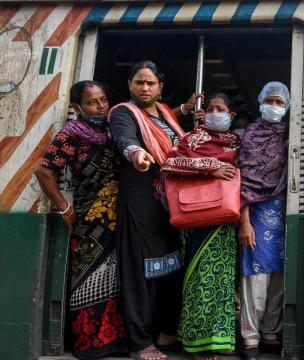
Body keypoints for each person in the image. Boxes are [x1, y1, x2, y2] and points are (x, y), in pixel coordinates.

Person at [35, 80, 128, 359]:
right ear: (77, 107)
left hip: (120, 219)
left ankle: (118, 342)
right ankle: (91, 346)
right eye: (91, 102)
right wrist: (65, 209)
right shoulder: (72, 135)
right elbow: (44, 171)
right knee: (89, 281)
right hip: (88, 223)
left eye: (103, 99)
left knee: (119, 280)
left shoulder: (114, 130)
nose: (100, 106)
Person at [108, 60, 188, 360]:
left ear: (160, 87)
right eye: (139, 82)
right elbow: (125, 138)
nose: (145, 87)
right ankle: (141, 342)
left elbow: (174, 139)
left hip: (168, 201)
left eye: (150, 83)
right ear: (130, 85)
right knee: (138, 274)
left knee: (171, 268)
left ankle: (167, 332)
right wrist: (137, 153)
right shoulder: (123, 113)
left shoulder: (165, 112)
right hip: (140, 201)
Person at [161, 93, 240, 360]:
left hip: (226, 219)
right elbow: (171, 163)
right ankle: (198, 342)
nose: (214, 112)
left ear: (230, 116)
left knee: (221, 281)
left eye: (221, 109)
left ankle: (218, 338)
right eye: (210, 108)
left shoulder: (237, 141)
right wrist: (211, 167)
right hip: (196, 217)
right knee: (198, 280)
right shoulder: (193, 137)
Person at [237, 82, 290, 360]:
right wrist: (244, 222)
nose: (274, 106)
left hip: (283, 217)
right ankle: (250, 337)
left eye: (280, 103)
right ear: (260, 103)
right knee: (255, 278)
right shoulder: (251, 135)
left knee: (280, 279)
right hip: (256, 215)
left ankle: (271, 331)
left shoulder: (289, 136)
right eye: (270, 101)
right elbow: (243, 180)